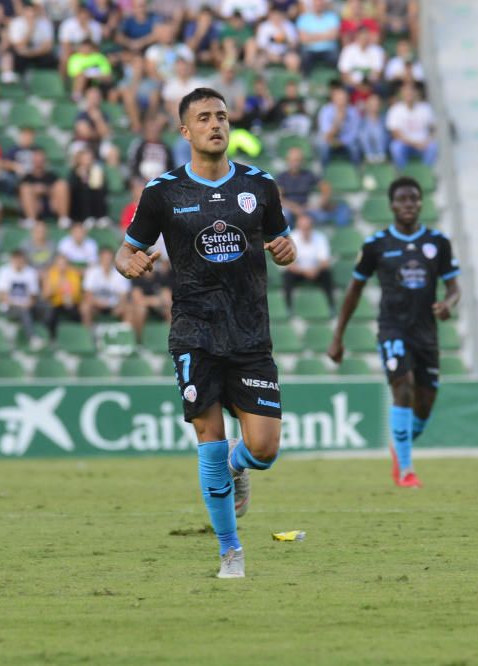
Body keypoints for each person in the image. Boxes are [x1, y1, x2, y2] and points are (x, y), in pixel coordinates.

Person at [116, 87, 296, 579]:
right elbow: (124, 250)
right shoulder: (162, 192)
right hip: (194, 333)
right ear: (186, 131)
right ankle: (230, 552)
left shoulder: (260, 186)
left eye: (221, 116)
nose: (215, 124)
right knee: (209, 440)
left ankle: (241, 468)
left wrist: (287, 249)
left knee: (264, 448)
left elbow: (282, 239)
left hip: (251, 334)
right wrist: (129, 262)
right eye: (204, 118)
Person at [328, 177, 460, 488]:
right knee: (404, 388)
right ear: (392, 205)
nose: (408, 204)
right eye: (402, 199)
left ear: (420, 203)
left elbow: (454, 287)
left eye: (414, 198)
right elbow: (354, 291)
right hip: (393, 329)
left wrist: (448, 303)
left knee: (424, 407)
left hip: (427, 334)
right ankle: (406, 471)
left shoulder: (438, 243)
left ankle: (399, 447)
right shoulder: (377, 245)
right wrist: (338, 336)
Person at [284, 213, 334, 313]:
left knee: (327, 275)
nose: (305, 230)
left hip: (316, 271)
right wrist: (305, 272)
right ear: (298, 227)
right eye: (303, 227)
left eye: (307, 227)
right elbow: (289, 264)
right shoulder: (292, 237)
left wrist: (314, 270)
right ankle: (289, 306)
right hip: (299, 272)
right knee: (287, 276)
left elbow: (325, 262)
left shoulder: (320, 238)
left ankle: (331, 305)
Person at [0, 249, 42, 346]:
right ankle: (32, 337)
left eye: (21, 260)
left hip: (27, 306)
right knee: (23, 311)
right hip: (9, 307)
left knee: (45, 307)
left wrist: (29, 303)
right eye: (17, 260)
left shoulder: (30, 272)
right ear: (12, 260)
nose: (19, 263)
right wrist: (20, 304)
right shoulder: (4, 271)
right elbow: (2, 295)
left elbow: (33, 295)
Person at [81, 245, 133, 328]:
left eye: (109, 258)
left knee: (129, 308)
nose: (107, 261)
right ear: (100, 258)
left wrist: (119, 305)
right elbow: (88, 294)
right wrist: (99, 303)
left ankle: (125, 334)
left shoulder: (119, 273)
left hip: (115, 306)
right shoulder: (92, 272)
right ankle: (88, 335)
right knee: (85, 307)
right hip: (96, 306)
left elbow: (124, 295)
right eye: (104, 258)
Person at [19, 148, 72, 228]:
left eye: (41, 159)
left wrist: (46, 190)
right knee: (25, 188)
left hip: (53, 206)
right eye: (36, 159)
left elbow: (59, 188)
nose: (39, 162)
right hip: (36, 207)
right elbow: (21, 195)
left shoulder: (51, 176)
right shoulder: (27, 178)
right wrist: (35, 191)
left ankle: (63, 219)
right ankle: (31, 220)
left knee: (62, 185)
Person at [42, 252, 82, 339]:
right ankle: (52, 338)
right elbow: (45, 294)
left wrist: (69, 296)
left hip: (71, 302)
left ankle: (74, 337)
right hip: (55, 303)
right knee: (50, 315)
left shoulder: (73, 273)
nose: (62, 266)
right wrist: (57, 287)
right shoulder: (51, 273)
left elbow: (77, 293)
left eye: (64, 264)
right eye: (59, 264)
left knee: (77, 313)